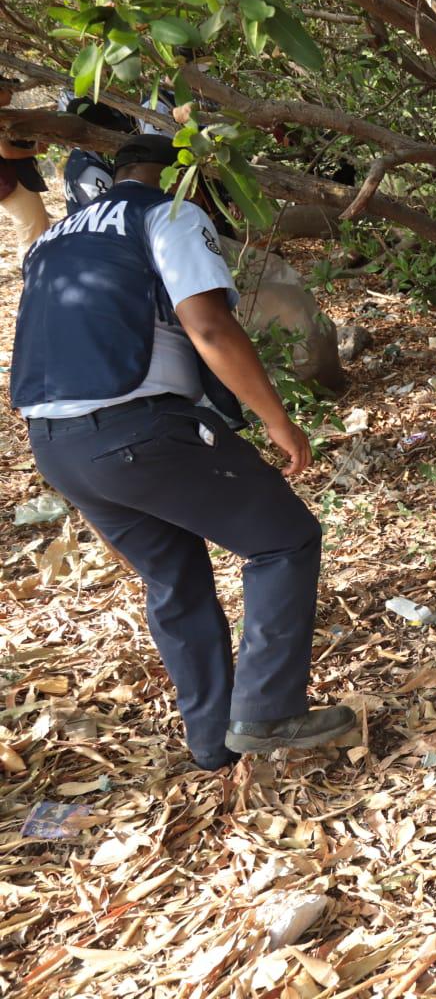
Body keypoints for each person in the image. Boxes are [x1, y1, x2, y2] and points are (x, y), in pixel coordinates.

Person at [9, 134, 354, 769]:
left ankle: (210, 742)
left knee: (174, 576)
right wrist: (276, 419)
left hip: (56, 443)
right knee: (285, 540)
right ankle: (270, 710)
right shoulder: (168, 213)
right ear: (179, 174)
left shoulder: (54, 239)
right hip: (139, 429)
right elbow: (209, 325)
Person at [0, 77, 52, 267]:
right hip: (13, 183)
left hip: (16, 181)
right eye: (8, 90)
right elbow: (6, 151)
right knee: (33, 234)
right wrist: (34, 150)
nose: (12, 93)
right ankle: (34, 279)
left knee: (37, 229)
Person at [62, 96, 136, 214]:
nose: (116, 134)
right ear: (94, 132)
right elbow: (114, 211)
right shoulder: (90, 170)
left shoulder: (79, 158)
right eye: (110, 130)